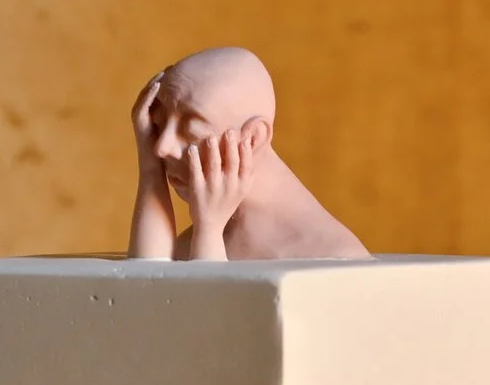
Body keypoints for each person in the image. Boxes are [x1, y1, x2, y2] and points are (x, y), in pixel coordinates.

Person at [125, 47, 368, 262]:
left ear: (252, 139)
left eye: (191, 132)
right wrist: (150, 169)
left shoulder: (328, 253)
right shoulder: (196, 238)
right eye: (159, 125)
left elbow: (206, 307)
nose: (162, 147)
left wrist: (209, 230)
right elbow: (147, 285)